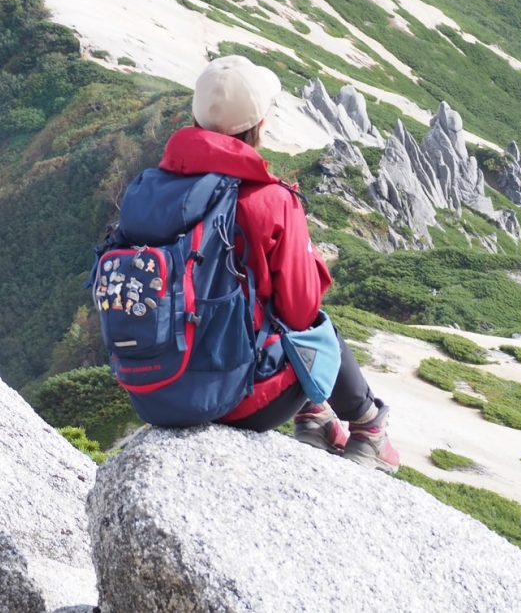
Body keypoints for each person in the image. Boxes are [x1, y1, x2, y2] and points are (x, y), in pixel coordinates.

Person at [156, 55, 400, 472]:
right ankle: (367, 425)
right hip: (237, 403)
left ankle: (316, 415)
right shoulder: (270, 200)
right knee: (319, 328)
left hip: (155, 389)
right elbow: (301, 310)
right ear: (259, 125)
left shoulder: (155, 189)